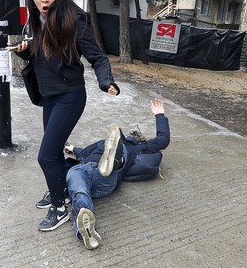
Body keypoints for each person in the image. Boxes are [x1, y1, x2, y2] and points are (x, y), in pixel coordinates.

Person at [9, 0, 120, 232]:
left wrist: (106, 81)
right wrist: (25, 50)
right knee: (54, 151)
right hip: (50, 96)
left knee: (45, 156)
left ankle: (59, 206)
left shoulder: (74, 19)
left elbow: (97, 57)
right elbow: (43, 52)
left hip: (70, 97)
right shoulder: (36, 17)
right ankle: (59, 188)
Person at [36, 98, 169, 249]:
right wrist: (70, 148)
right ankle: (85, 231)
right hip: (94, 176)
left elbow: (163, 140)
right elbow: (83, 152)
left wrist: (160, 115)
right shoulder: (108, 145)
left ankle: (116, 158)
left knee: (78, 180)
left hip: (102, 173)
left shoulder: (140, 147)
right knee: (79, 191)